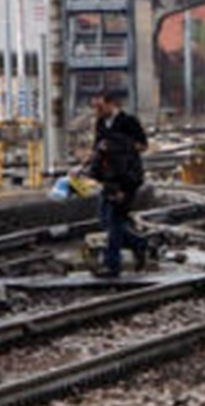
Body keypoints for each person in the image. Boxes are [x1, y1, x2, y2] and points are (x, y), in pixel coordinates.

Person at [87, 90, 150, 277]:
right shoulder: (100, 124)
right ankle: (139, 244)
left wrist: (117, 146)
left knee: (115, 220)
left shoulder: (128, 122)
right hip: (108, 178)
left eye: (99, 107)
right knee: (105, 219)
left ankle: (112, 265)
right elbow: (97, 148)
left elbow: (143, 145)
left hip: (127, 178)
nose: (96, 111)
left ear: (110, 104)